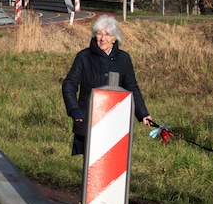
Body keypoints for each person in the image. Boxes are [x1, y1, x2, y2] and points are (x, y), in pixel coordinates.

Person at [61, 15, 154, 156]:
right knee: (92, 164)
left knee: (112, 161)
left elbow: (132, 87)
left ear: (114, 38)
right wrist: (74, 110)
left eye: (107, 34)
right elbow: (69, 84)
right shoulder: (84, 57)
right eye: (99, 33)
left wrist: (143, 113)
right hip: (88, 119)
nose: (103, 38)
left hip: (114, 121)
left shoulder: (124, 59)